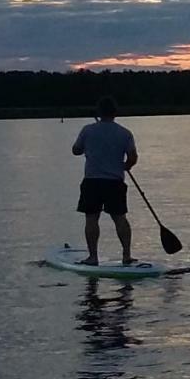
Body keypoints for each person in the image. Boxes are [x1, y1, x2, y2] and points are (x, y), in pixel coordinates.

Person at [71, 96, 138, 265]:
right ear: (115, 112)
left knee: (91, 218)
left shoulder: (88, 130)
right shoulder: (125, 133)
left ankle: (93, 257)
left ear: (99, 112)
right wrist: (125, 166)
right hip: (115, 182)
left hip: (92, 181)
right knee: (120, 218)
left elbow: (76, 150)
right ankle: (126, 256)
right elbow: (132, 157)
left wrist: (89, 148)